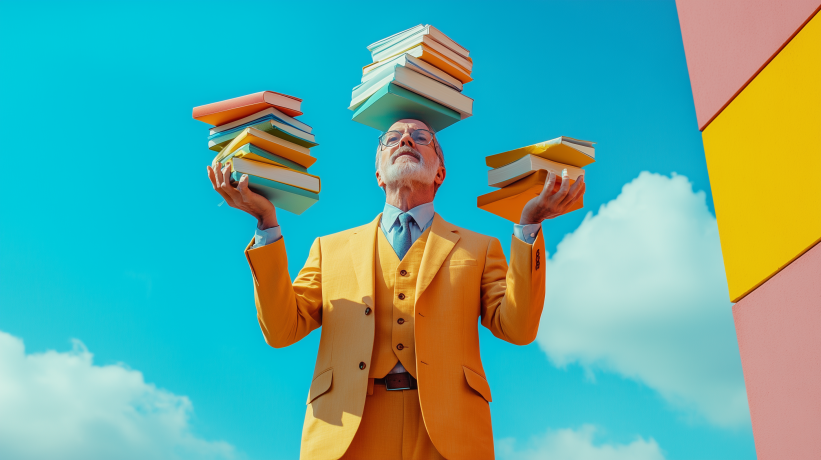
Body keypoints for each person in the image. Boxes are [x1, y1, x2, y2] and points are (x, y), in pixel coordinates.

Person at [207, 119, 585, 460]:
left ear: (440, 173)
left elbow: (518, 328)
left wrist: (529, 226)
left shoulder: (480, 248)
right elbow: (280, 330)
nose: (406, 139)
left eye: (422, 137)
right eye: (392, 138)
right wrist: (265, 224)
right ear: (378, 173)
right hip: (345, 432)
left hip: (449, 436)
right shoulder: (329, 248)